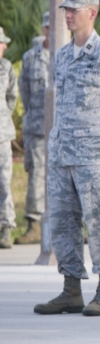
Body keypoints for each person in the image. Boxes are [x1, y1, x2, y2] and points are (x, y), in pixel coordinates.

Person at [32, 0, 100, 316]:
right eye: (66, 8)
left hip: (96, 156)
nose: (68, 14)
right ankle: (71, 288)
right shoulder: (61, 56)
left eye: (75, 9)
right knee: (63, 222)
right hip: (63, 155)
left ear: (92, 13)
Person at [16, 15, 50, 245]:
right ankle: (34, 225)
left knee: (69, 176)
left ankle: (73, 224)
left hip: (65, 128)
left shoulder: (70, 53)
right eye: (48, 26)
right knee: (37, 173)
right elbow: (22, 92)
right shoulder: (30, 58)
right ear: (44, 29)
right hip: (37, 127)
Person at [0, 28, 17, 250]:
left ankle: (5, 227)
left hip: (2, 134)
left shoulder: (6, 67)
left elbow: (12, 97)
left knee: (4, 181)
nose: (4, 46)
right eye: (1, 43)